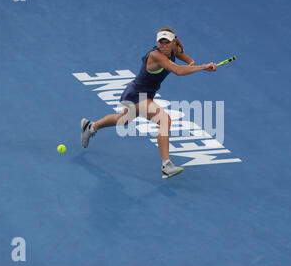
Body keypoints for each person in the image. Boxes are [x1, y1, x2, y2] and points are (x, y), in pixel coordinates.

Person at [81, 27, 217, 179]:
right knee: (164, 119)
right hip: (137, 95)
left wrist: (191, 62)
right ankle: (167, 165)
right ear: (157, 43)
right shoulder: (155, 55)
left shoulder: (172, 50)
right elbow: (178, 71)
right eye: (161, 42)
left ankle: (91, 126)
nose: (164, 46)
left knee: (123, 120)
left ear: (173, 42)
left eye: (167, 42)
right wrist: (204, 67)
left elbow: (180, 54)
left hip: (144, 94)